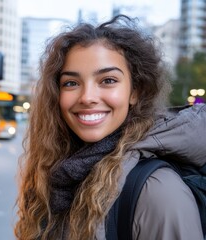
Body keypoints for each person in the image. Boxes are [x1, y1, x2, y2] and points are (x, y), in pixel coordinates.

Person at [14, 15, 205, 240]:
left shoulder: (157, 191)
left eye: (108, 80)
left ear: (136, 91)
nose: (87, 97)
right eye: (71, 83)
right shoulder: (60, 173)